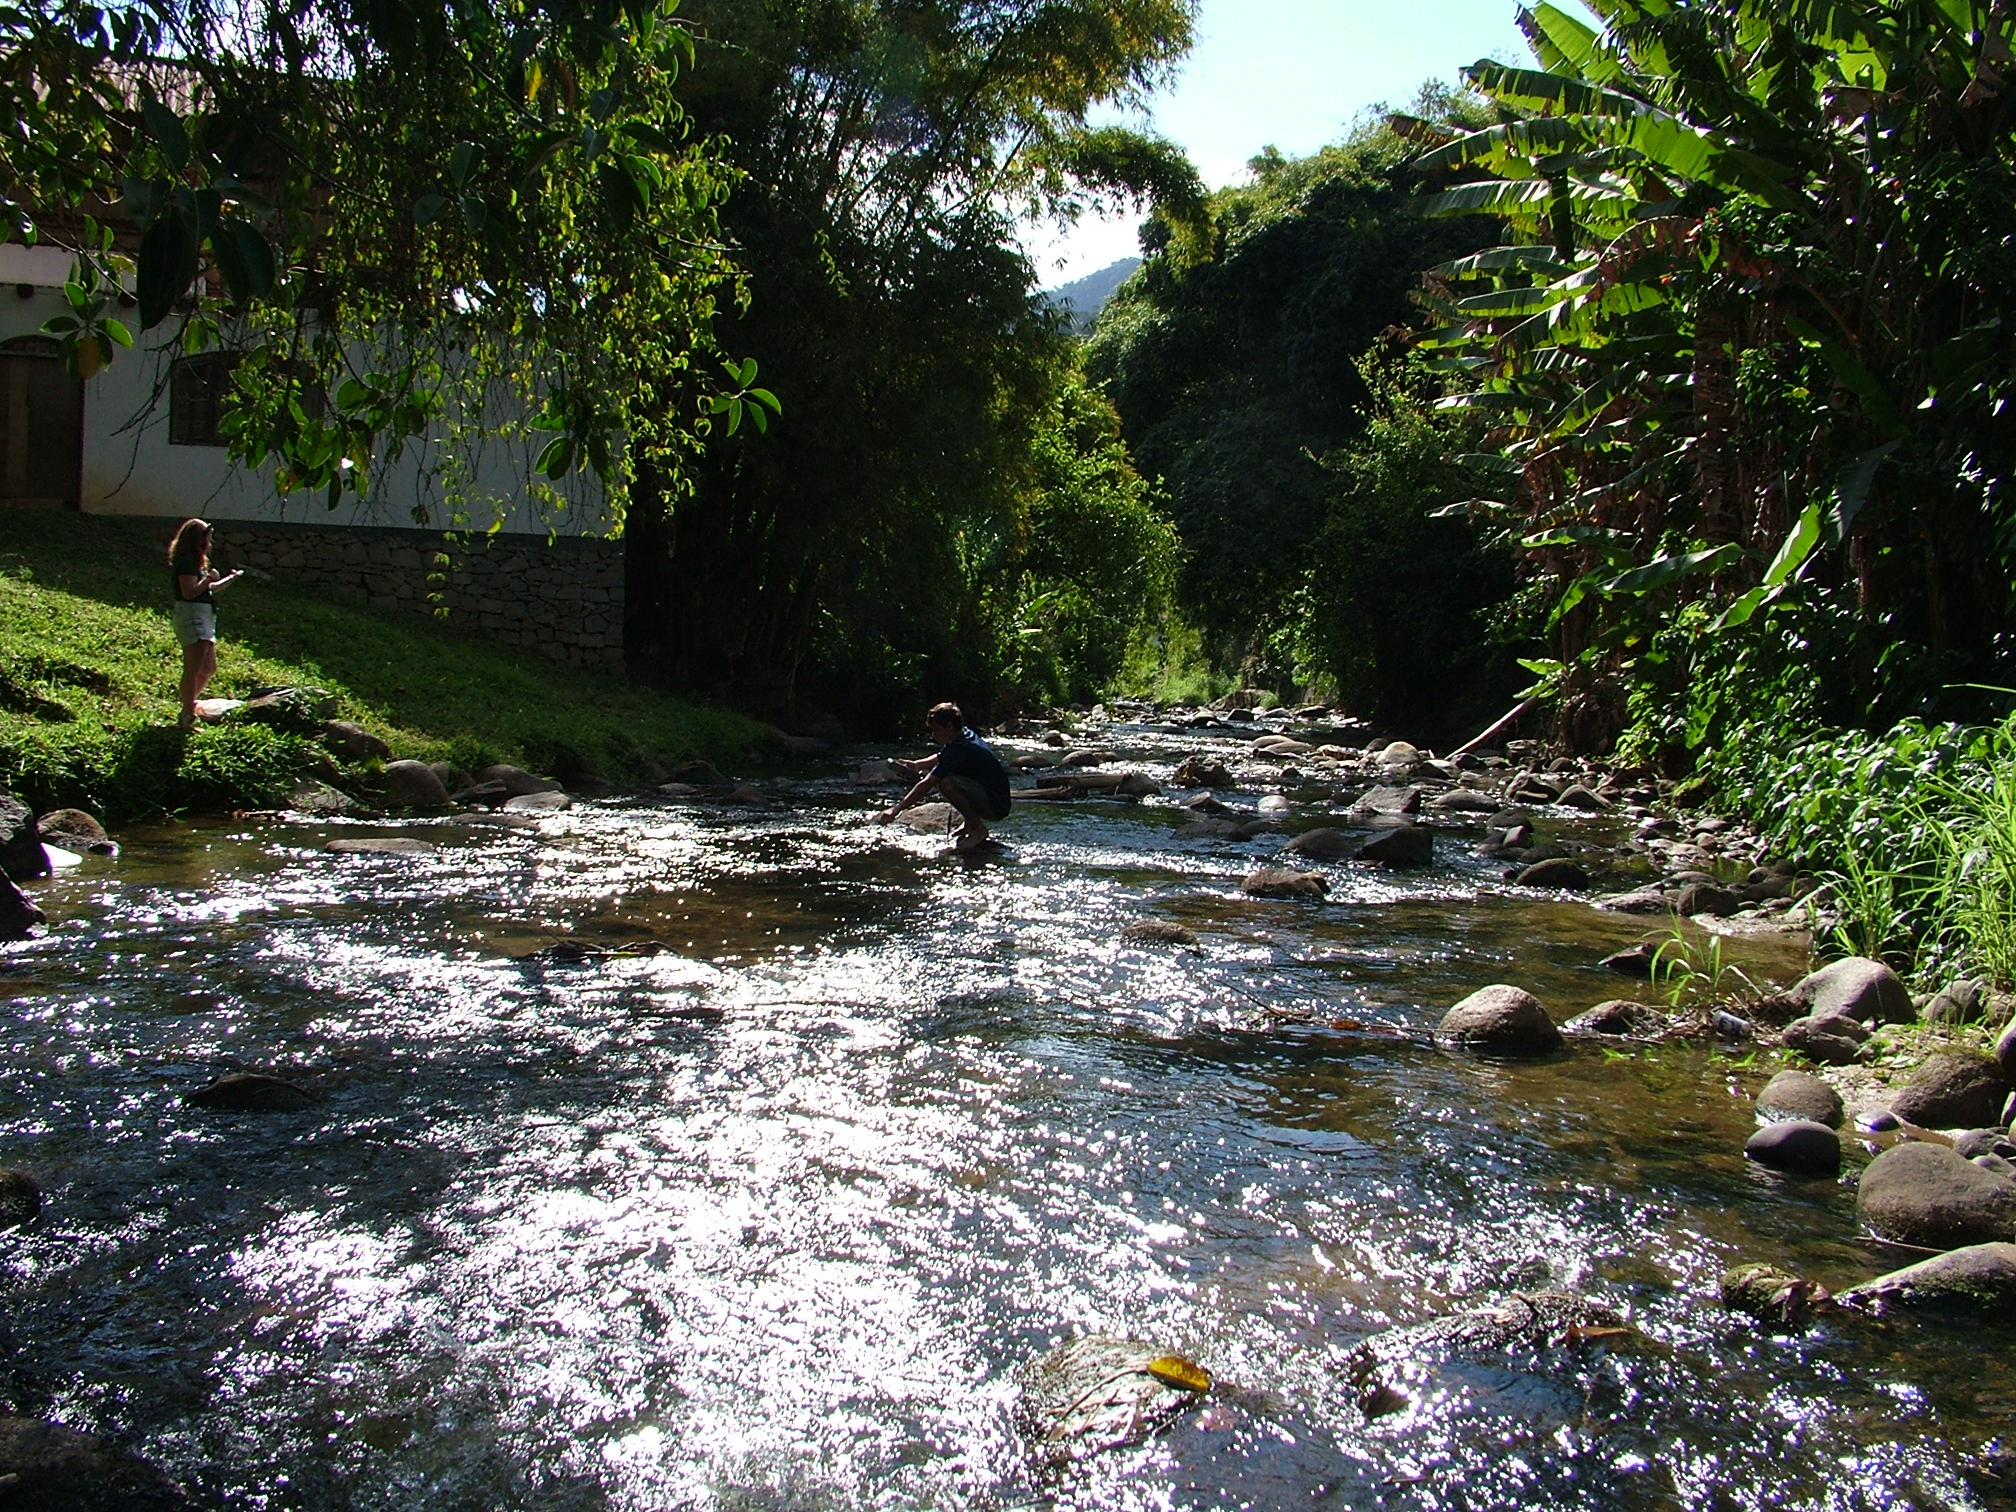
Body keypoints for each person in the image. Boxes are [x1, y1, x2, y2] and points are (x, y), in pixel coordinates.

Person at [877, 702, 1012, 852]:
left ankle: (978, 829)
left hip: (996, 806)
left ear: (948, 726)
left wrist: (896, 810)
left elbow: (927, 783)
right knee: (952, 779)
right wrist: (917, 765)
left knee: (945, 783)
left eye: (935, 730)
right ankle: (970, 824)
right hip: (996, 797)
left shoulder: (960, 749)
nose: (933, 735)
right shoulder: (964, 734)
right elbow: (942, 756)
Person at [168, 518, 242, 728]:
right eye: (207, 537)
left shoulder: (196, 561)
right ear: (197, 539)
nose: (210, 542)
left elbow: (206, 589)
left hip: (204, 615)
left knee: (208, 668)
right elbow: (189, 592)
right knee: (193, 667)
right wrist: (208, 579)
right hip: (192, 616)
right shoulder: (186, 562)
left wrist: (228, 580)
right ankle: (187, 713)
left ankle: (189, 703)